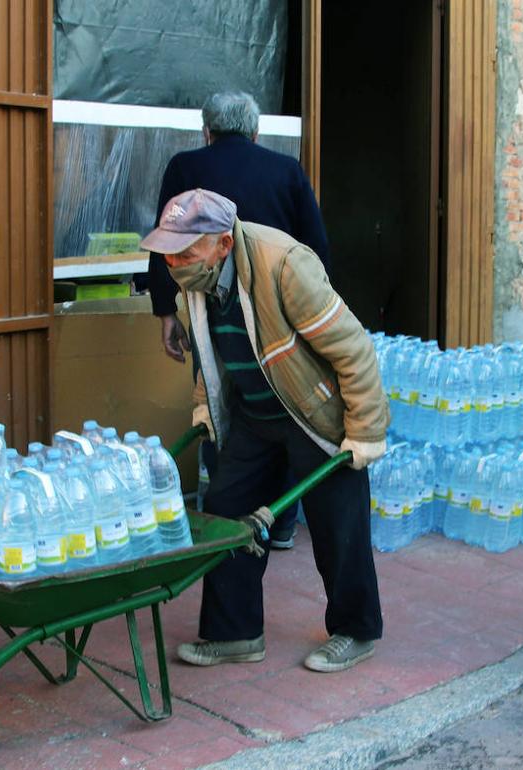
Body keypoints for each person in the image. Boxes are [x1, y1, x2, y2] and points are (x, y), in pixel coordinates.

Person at [141, 188, 388, 673]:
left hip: (312, 413)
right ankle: (234, 633)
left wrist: (364, 429)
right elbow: (213, 359)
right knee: (226, 513)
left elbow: (353, 349)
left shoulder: (285, 266)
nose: (173, 262)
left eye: (185, 251)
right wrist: (205, 409)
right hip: (255, 417)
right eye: (168, 251)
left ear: (223, 245)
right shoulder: (195, 279)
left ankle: (355, 630)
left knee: (338, 524)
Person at [148, 90, 329, 550]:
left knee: (217, 404)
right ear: (256, 131)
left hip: (212, 317)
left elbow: (169, 248)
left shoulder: (185, 168)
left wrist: (166, 312)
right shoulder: (284, 170)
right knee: (286, 408)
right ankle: (283, 522)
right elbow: (316, 250)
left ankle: (230, 518)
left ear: (207, 131)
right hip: (281, 322)